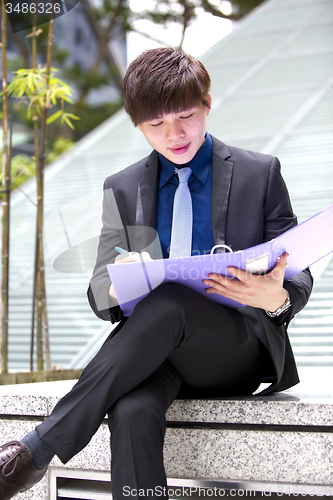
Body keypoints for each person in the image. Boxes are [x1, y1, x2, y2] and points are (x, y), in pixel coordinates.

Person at [0, 47, 313, 500]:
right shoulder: (123, 188)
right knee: (130, 407)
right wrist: (118, 280)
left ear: (207, 101)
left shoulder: (258, 173)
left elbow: (298, 275)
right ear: (137, 124)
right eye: (155, 125)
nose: (174, 134)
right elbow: (99, 295)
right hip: (155, 351)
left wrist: (274, 298)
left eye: (186, 115)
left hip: (236, 347)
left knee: (170, 303)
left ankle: (34, 451)